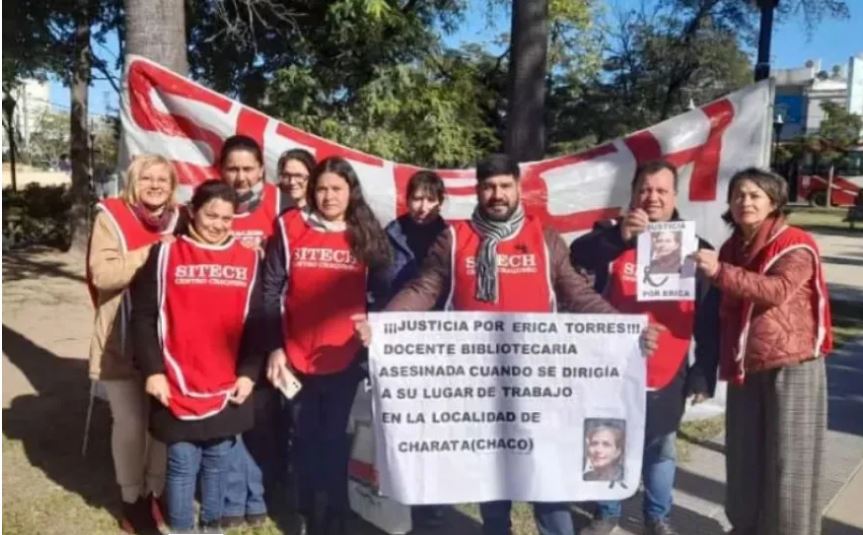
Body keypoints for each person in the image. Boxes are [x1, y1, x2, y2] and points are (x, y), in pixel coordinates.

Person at [353, 153, 662, 535]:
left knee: (547, 480)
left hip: (538, 387)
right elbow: (423, 289)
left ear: (518, 188)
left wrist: (626, 329)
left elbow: (578, 295)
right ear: (478, 191)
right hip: (478, 387)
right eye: (488, 187)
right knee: (491, 481)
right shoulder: (454, 239)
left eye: (504, 186)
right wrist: (382, 326)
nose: (497, 194)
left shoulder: (544, 238)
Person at [570, 160, 719, 535]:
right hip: (612, 364)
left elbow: (709, 320)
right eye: (645, 190)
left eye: (661, 190)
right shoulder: (609, 237)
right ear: (634, 194)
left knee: (661, 446)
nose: (653, 197)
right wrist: (619, 236)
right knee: (606, 436)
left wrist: (703, 371)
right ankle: (607, 511)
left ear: (675, 196)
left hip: (668, 365)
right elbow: (577, 255)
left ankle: (657, 515)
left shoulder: (697, 248)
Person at [692, 168, 832, 535]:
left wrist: (719, 272)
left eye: (755, 195)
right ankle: (745, 527)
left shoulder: (796, 243)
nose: (745, 202)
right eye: (738, 195)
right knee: (743, 455)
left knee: (790, 462)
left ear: (774, 202)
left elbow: (777, 290)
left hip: (793, 364)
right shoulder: (731, 248)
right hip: (746, 364)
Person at [263, 156, 391, 535]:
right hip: (295, 356)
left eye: (337, 188)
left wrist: (373, 326)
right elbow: (271, 289)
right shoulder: (289, 226)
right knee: (303, 438)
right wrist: (275, 346)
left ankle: (336, 511)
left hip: (345, 357)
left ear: (351, 191)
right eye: (321, 188)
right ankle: (306, 512)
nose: (329, 196)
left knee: (336, 439)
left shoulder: (366, 231)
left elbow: (383, 292)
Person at [130, 179, 264, 532]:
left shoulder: (250, 259)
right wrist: (153, 371)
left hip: (227, 382)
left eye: (227, 218)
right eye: (211, 215)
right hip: (175, 379)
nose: (219, 224)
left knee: (218, 459)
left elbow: (257, 322)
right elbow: (143, 317)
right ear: (192, 212)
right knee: (182, 462)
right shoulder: (165, 254)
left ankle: (211, 526)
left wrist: (249, 373)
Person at [86, 154, 182, 533]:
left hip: (167, 341)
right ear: (133, 182)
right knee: (130, 423)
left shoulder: (182, 219)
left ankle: (155, 491)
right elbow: (103, 274)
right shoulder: (111, 217)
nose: (155, 185)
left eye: (162, 179)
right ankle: (131, 500)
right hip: (120, 339)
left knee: (160, 423)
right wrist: (154, 251)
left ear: (172, 186)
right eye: (147, 178)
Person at [368, 169, 448, 527]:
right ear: (406, 198)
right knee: (400, 423)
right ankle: (396, 493)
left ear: (441, 201)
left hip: (436, 344)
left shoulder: (452, 237)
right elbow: (373, 285)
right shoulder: (389, 235)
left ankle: (432, 502)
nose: (422, 206)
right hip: (395, 340)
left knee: (433, 426)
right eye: (417, 198)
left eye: (430, 199)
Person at [217, 135, 289, 527]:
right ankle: (231, 498)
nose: (241, 177)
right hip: (221, 330)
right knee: (228, 414)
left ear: (261, 169)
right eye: (233, 169)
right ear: (221, 170)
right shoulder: (211, 207)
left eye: (248, 168)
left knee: (262, 416)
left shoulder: (280, 205)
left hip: (264, 327)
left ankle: (261, 494)